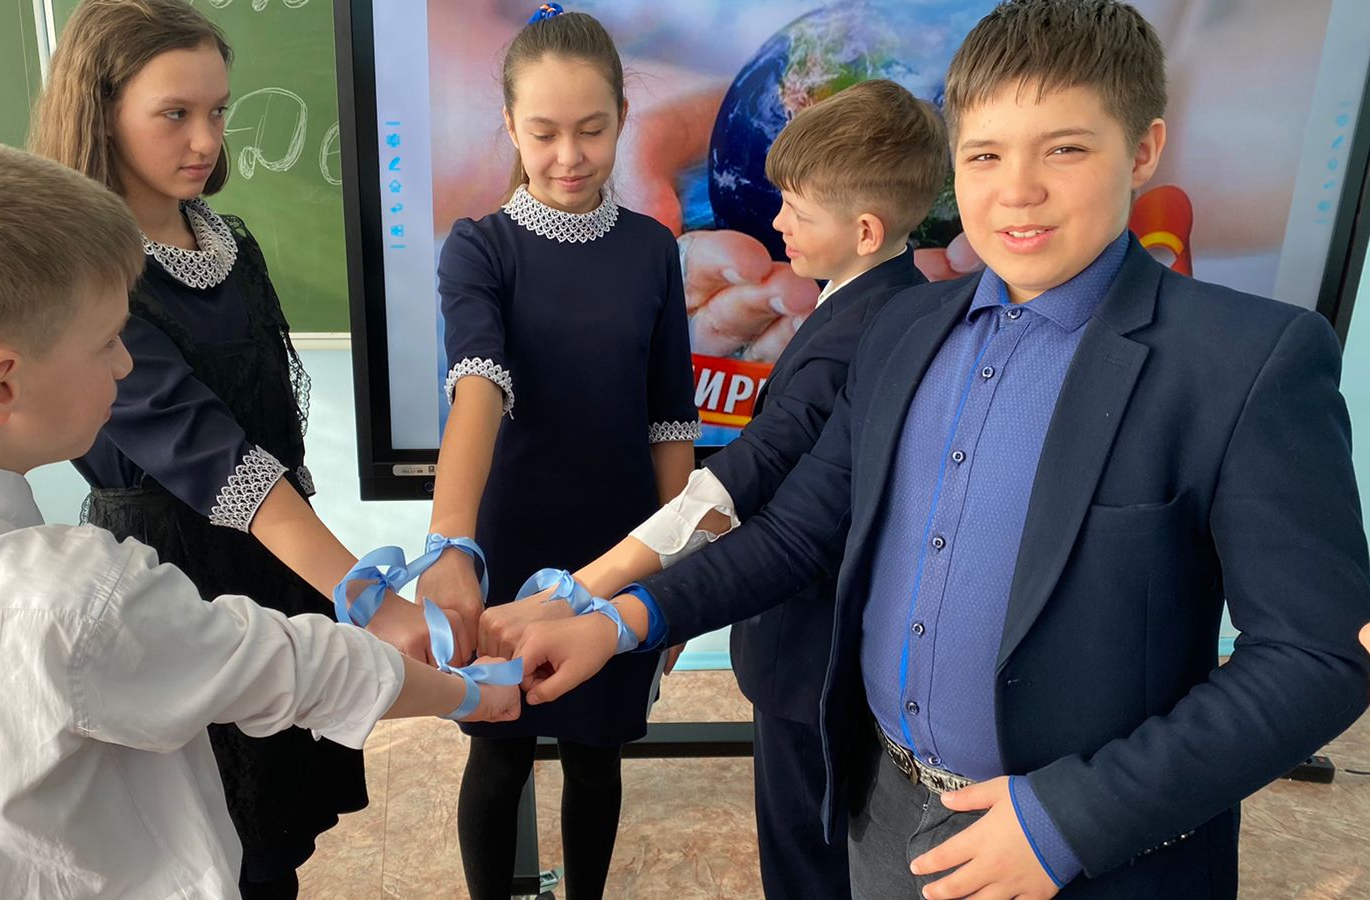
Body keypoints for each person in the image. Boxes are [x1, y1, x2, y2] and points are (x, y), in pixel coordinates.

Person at [517, 2, 1370, 897]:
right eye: (985, 155)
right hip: (882, 811)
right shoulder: (902, 329)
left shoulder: (1248, 362)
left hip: (1091, 855)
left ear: (1144, 150)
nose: (1018, 191)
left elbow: (1316, 655)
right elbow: (799, 534)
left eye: (1065, 149)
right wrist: (617, 621)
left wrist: (1069, 821)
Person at [0, 133, 518, 899]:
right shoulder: (80, 601)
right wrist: (472, 695)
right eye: (107, 343)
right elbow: (297, 669)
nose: (127, 365)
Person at [479, 78, 947, 899]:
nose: (776, 221)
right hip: (826, 657)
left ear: (865, 230)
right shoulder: (899, 302)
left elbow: (744, 481)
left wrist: (582, 591)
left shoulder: (854, 338)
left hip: (808, 665)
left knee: (806, 867)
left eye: (796, 208)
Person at [28, 3, 445, 894]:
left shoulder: (224, 238)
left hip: (269, 559)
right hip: (167, 575)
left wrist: (329, 580)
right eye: (174, 114)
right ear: (102, 114)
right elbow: (214, 456)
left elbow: (271, 436)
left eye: (218, 111)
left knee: (275, 828)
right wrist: (366, 595)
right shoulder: (87, 274)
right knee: (209, 834)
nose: (205, 139)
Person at [412, 7, 699, 897]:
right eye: (543, 134)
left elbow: (671, 420)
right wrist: (450, 544)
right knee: (498, 751)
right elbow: (478, 385)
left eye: (591, 130)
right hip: (508, 537)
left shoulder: (652, 250)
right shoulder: (480, 249)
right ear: (509, 126)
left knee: (596, 752)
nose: (569, 156)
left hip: (620, 542)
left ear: (623, 119)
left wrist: (674, 573)